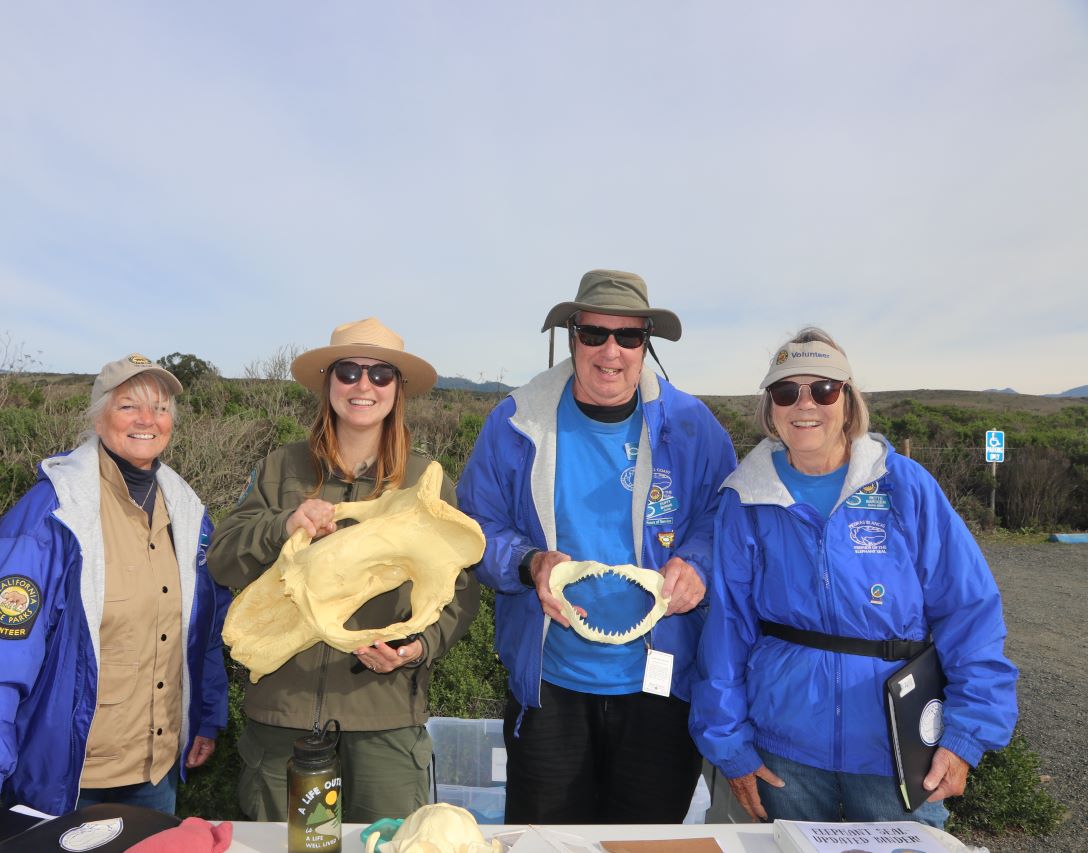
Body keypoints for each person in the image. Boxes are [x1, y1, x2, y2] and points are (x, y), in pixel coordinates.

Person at [689, 328, 1018, 828]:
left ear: (848, 399)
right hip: (784, 753)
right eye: (786, 391)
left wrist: (967, 734)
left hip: (899, 750)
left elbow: (968, 611)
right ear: (770, 407)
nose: (805, 405)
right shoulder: (744, 498)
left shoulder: (905, 486)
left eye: (823, 389)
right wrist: (728, 743)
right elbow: (726, 628)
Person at [456, 270, 737, 824]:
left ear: (646, 345)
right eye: (594, 334)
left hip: (660, 688)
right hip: (551, 688)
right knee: (546, 841)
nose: (611, 351)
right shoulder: (517, 421)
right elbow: (474, 524)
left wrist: (699, 563)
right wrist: (527, 561)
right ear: (571, 336)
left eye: (628, 336)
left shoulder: (692, 427)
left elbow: (723, 519)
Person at [0, 354, 231, 836]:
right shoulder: (52, 515)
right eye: (128, 405)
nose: (146, 420)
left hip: (154, 772)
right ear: (97, 417)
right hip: (69, 774)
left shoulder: (189, 515)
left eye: (160, 408)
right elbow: (0, 648)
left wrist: (206, 716)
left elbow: (203, 628)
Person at [206, 317, 480, 825]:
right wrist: (282, 524)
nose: (363, 385)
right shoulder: (280, 468)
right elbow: (222, 558)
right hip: (281, 717)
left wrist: (418, 648)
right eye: (349, 371)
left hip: (385, 717)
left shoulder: (425, 480)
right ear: (329, 381)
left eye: (381, 375)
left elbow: (459, 594)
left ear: (397, 390)